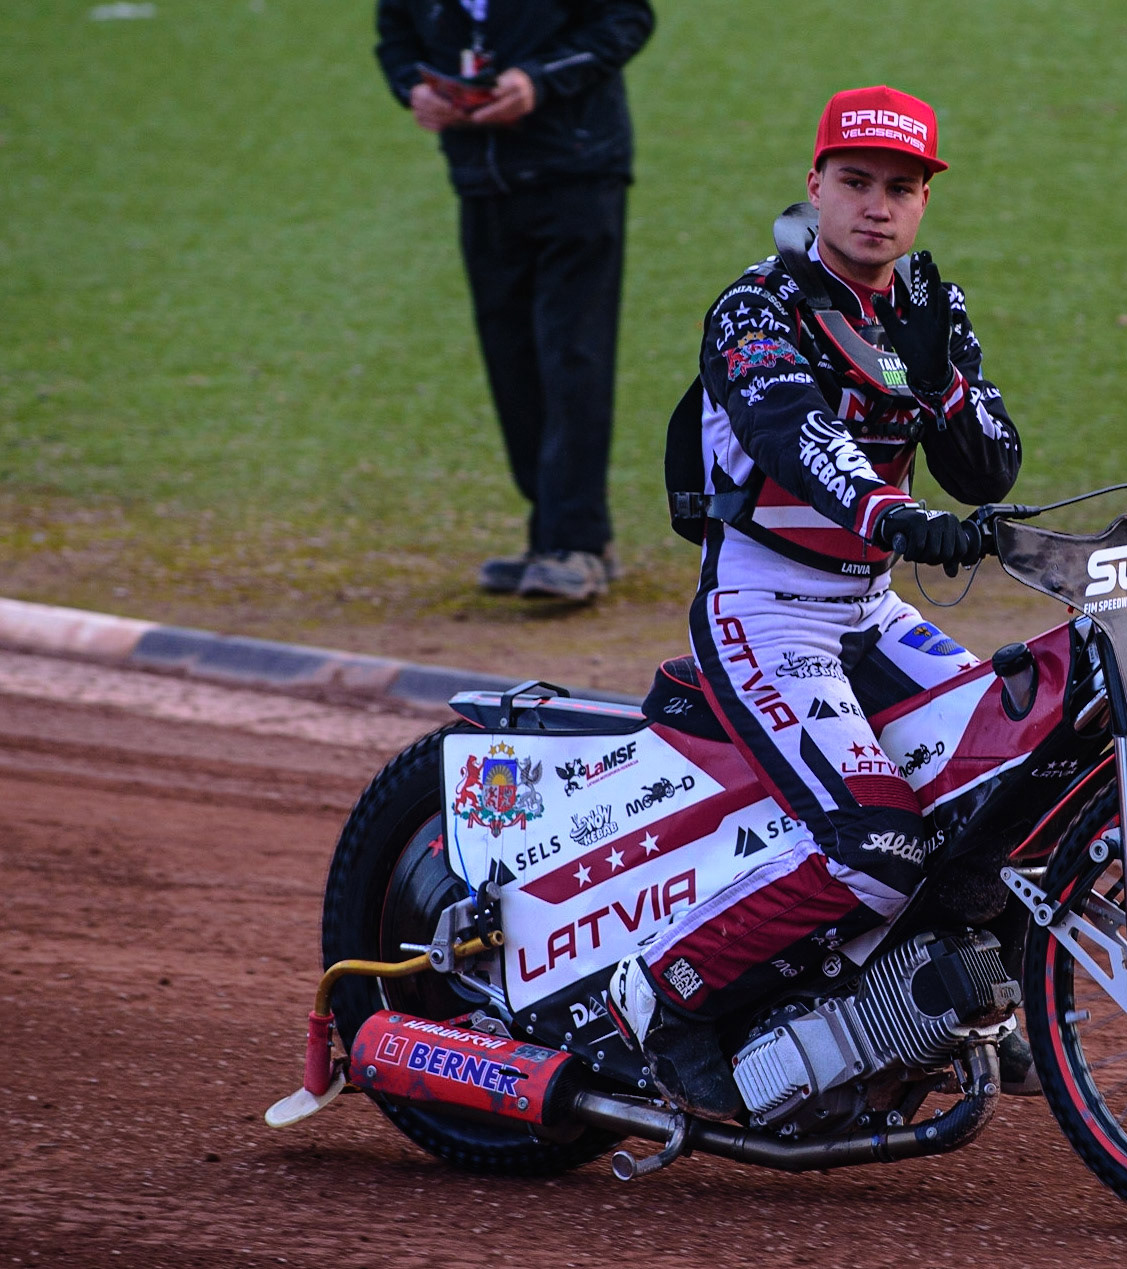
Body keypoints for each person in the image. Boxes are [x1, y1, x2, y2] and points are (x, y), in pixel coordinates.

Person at [609, 86, 1030, 1119]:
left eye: (900, 188)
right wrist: (891, 517)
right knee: (878, 847)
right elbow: (793, 440)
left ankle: (937, 1005)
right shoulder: (755, 307)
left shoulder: (933, 307)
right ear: (814, 186)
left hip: (871, 611)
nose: (876, 208)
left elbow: (990, 471)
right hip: (765, 608)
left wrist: (943, 389)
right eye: (855, 184)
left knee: (1009, 785)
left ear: (924, 200)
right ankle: (659, 999)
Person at [374, 0, 655, 602]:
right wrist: (411, 89)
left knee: (571, 356)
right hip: (482, 184)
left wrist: (539, 78)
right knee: (512, 361)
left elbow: (626, 19)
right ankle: (554, 536)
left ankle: (574, 544)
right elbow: (395, 36)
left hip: (577, 175)